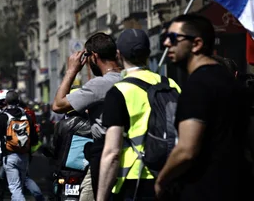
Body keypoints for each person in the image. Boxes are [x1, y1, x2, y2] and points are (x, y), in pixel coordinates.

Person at [155, 14, 252, 200]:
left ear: (197, 44)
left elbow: (186, 150)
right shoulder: (230, 82)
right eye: (165, 38)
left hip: (204, 190)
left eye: (174, 38)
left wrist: (162, 179)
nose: (167, 43)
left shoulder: (197, 86)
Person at [98, 29, 180, 201]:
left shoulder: (119, 91)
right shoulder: (171, 85)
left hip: (134, 178)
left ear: (118, 54)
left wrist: (101, 197)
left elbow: (112, 153)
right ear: (148, 53)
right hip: (170, 175)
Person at [52, 33, 123, 201]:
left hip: (105, 153)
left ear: (94, 57)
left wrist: (72, 70)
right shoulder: (131, 78)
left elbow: (58, 105)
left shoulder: (99, 85)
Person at [0, 90, 40, 201]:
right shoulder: (26, 116)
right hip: (24, 155)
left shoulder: (3, 117)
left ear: (6, 101)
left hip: (9, 155)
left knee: (15, 188)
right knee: (21, 185)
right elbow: (34, 138)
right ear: (19, 100)